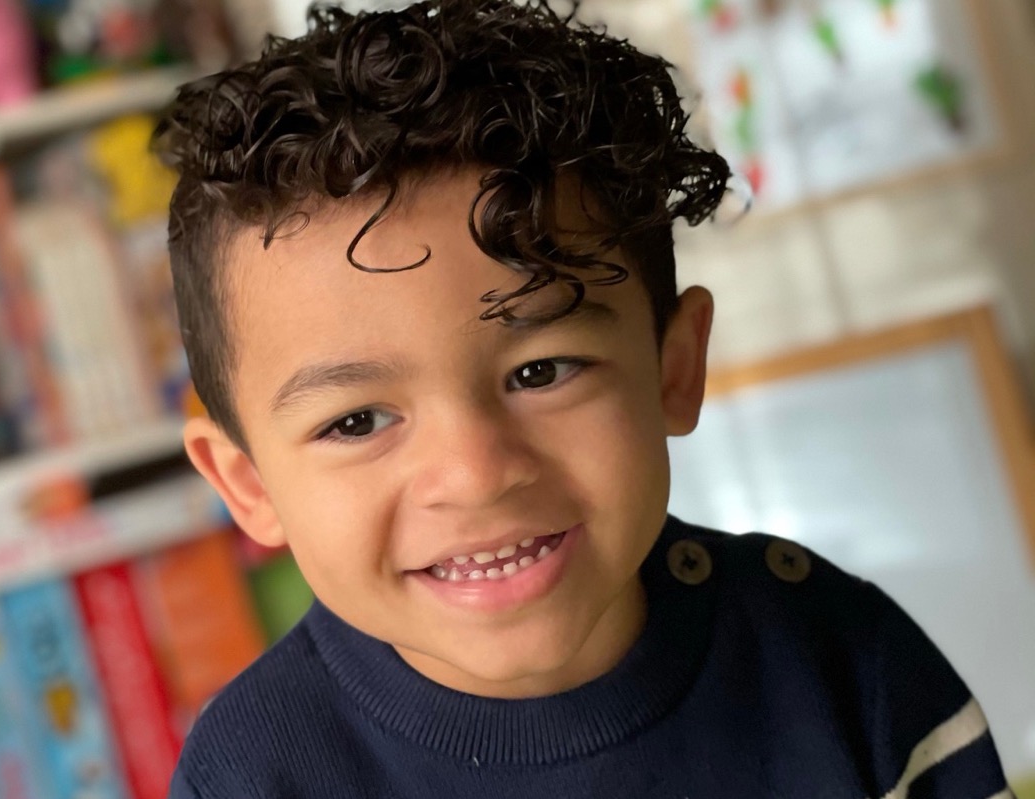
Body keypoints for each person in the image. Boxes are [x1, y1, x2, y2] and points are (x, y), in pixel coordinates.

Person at [154, 1, 1014, 796]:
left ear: (673, 367)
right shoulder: (250, 777)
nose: (476, 474)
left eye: (541, 372)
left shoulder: (841, 662)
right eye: (356, 421)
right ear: (249, 484)